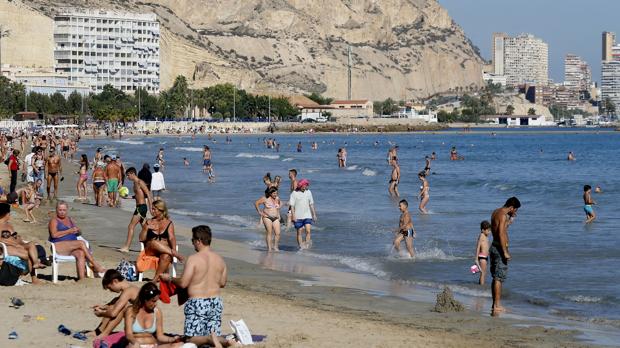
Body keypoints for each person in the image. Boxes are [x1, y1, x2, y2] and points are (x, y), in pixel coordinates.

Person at [160, 225, 232, 347]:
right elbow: (223, 283)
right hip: (215, 301)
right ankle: (227, 342)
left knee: (190, 339)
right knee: (213, 333)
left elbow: (183, 283)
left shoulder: (193, 259)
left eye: (193, 240)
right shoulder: (220, 260)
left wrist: (170, 278)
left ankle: (209, 339)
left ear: (199, 240)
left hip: (197, 302)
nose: (192, 243)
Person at [48, 201, 106, 280]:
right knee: (81, 243)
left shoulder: (70, 219)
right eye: (60, 210)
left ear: (67, 210)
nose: (62, 212)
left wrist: (78, 231)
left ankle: (81, 279)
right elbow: (54, 235)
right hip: (58, 246)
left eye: (64, 210)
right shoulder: (54, 221)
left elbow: (78, 233)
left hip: (71, 246)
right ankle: (95, 265)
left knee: (80, 253)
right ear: (56, 210)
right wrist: (69, 231)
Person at [124, 282, 184, 347]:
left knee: (179, 345)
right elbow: (129, 335)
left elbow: (160, 336)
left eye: (156, 301)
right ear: (144, 299)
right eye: (153, 301)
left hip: (153, 345)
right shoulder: (131, 310)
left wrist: (172, 339)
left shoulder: (157, 312)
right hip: (136, 345)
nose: (155, 304)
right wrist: (135, 342)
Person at [138, 199, 183, 281]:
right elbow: (141, 239)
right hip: (150, 249)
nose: (152, 211)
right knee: (154, 242)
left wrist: (173, 248)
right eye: (152, 208)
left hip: (163, 251)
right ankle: (176, 254)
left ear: (161, 210)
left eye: (154, 209)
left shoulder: (169, 223)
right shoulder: (149, 222)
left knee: (166, 257)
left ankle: (154, 280)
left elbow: (172, 238)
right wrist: (146, 228)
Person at [490, 197, 521, 316]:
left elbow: (500, 228)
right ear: (511, 207)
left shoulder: (496, 212)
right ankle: (497, 305)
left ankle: (495, 304)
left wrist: (510, 220)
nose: (515, 212)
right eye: (515, 210)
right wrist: (505, 252)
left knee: (495, 277)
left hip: (493, 246)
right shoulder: (503, 215)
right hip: (499, 249)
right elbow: (501, 234)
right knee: (499, 278)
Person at [91, 269, 140, 339]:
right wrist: (103, 307)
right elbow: (114, 304)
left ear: (115, 281)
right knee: (115, 302)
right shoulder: (129, 288)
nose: (111, 291)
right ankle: (98, 331)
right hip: (142, 318)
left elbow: (113, 313)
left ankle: (105, 333)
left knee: (122, 307)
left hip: (144, 321)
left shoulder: (128, 291)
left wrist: (101, 314)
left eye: (110, 288)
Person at [120, 167, 153, 253]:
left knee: (131, 226)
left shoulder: (139, 182)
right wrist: (128, 197)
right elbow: (138, 195)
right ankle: (150, 246)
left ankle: (126, 247)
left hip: (141, 207)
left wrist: (151, 208)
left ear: (132, 173)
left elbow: (148, 194)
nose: (127, 177)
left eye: (128, 175)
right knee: (145, 228)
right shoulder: (135, 183)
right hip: (139, 207)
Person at [289, 179, 317, 250]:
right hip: (298, 216)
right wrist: (293, 216)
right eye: (303, 185)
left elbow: (311, 204)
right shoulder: (294, 193)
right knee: (299, 232)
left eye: (306, 185)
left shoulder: (309, 192)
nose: (305, 187)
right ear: (300, 185)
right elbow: (292, 206)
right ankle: (301, 247)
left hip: (307, 215)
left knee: (308, 231)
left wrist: (314, 214)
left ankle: (306, 247)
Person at [254, 187, 282, 252]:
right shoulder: (265, 198)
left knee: (278, 233)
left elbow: (280, 204)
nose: (276, 194)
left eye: (276, 193)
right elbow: (256, 203)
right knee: (269, 232)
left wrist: (278, 214)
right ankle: (269, 248)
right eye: (274, 193)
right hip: (267, 217)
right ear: (270, 193)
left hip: (276, 218)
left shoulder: (277, 198)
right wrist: (260, 212)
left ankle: (275, 247)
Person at [474, 220, 491, 285]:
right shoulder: (481, 236)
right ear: (483, 230)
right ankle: (482, 288)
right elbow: (478, 247)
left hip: (485, 257)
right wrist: (476, 259)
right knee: (483, 274)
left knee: (484, 273)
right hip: (482, 257)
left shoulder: (486, 236)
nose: (489, 232)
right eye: (488, 230)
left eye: (490, 230)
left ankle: (480, 287)